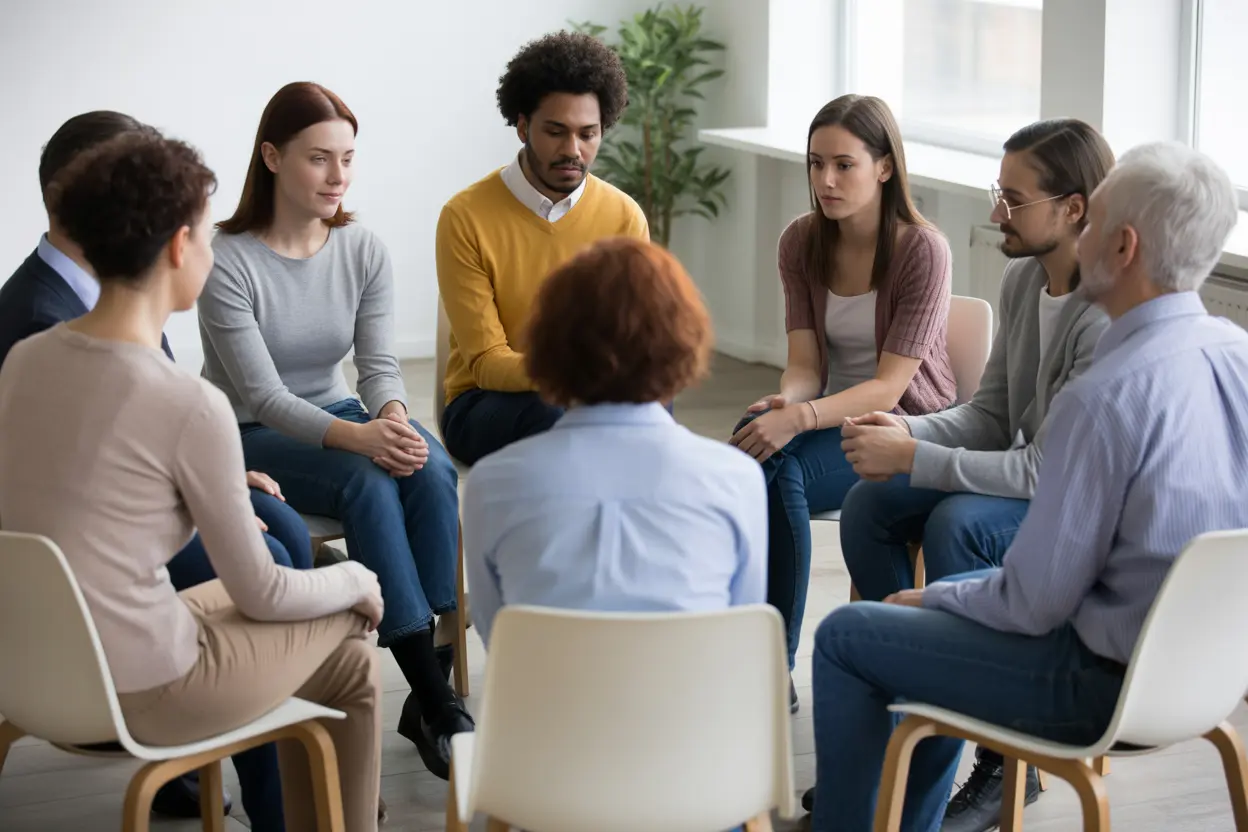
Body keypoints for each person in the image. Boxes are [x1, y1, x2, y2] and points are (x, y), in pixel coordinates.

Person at [806, 141, 1248, 832]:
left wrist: (933, 596)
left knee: (844, 633)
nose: (1082, 232)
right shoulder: (1237, 357)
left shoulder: (1106, 395)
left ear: (1123, 245)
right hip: (1209, 679)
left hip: (1095, 684)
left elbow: (1032, 602)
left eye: (1093, 218)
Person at [0, 130, 384, 831]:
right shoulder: (186, 400)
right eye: (206, 236)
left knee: (302, 612)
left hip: (32, 669)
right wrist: (357, 579)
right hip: (142, 687)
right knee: (353, 651)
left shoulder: (25, 360)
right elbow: (263, 592)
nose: (211, 252)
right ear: (179, 246)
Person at [824, 119, 1115, 830]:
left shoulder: (1104, 315)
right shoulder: (1023, 282)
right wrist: (907, 433)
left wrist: (918, 457)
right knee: (870, 503)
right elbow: (988, 416)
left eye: (1012, 200)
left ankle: (992, 759)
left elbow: (1048, 469)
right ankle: (899, 713)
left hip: (1063, 503)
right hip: (1020, 478)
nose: (995, 213)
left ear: (1073, 208)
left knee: (963, 523)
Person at [197, 81, 471, 780]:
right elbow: (261, 393)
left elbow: (378, 368)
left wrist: (392, 420)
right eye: (319, 158)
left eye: (347, 158)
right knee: (367, 483)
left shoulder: (363, 249)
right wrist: (361, 442)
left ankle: (428, 667)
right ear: (271, 158)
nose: (338, 176)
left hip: (341, 413)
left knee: (431, 467)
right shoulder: (226, 259)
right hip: (250, 429)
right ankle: (437, 701)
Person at [728, 95, 956, 703]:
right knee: (751, 446)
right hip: (830, 411)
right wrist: (783, 405)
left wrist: (800, 417)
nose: (825, 180)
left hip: (903, 423)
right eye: (815, 163)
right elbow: (804, 365)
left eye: (844, 165)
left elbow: (889, 388)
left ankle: (772, 664)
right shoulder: (800, 241)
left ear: (884, 167)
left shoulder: (922, 250)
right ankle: (756, 654)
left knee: (783, 471)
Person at [463, 237, 766, 647]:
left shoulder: (493, 483)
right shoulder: (736, 478)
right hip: (692, 707)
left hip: (544, 707)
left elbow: (496, 633)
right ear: (682, 341)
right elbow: (739, 630)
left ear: (548, 346)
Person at [436, 30, 649, 466]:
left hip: (591, 396)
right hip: (485, 405)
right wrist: (576, 376)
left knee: (652, 413)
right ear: (521, 126)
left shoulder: (625, 216)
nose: (573, 150)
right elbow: (488, 363)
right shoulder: (465, 216)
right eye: (556, 132)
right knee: (554, 415)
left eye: (588, 134)